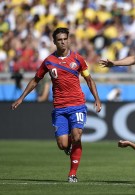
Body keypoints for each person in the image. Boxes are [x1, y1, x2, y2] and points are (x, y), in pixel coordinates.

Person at [11, 27, 102, 183]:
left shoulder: (78, 59)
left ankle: (72, 174)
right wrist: (21, 97)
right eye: (59, 40)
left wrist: (97, 99)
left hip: (77, 104)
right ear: (54, 42)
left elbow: (89, 79)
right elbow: (35, 80)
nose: (63, 42)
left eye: (65, 39)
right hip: (59, 107)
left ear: (69, 39)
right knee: (62, 144)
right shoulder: (48, 61)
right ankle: (68, 147)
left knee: (77, 135)